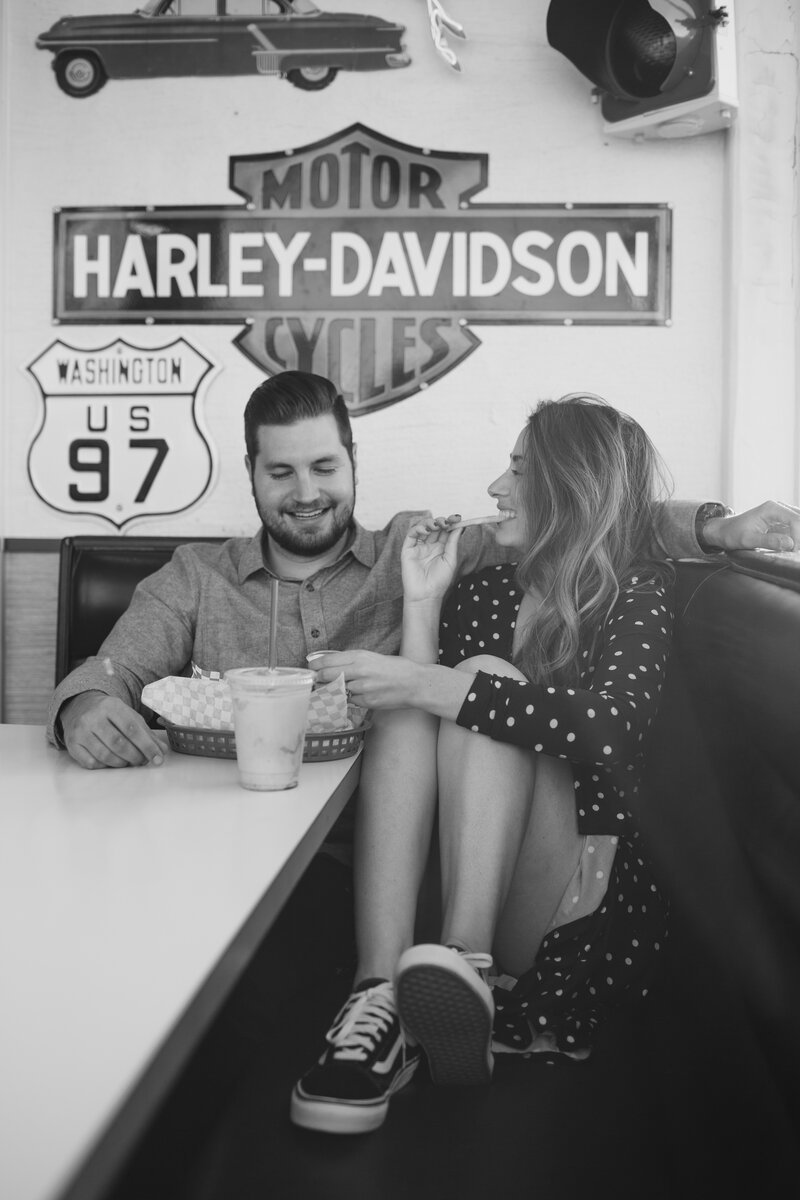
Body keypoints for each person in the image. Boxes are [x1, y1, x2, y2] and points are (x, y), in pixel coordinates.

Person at [47, 371, 800, 768]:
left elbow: (586, 512)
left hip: (373, 836)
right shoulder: (194, 578)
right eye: (282, 473)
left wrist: (714, 527)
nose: (306, 494)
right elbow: (112, 669)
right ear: (252, 474)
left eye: (322, 466)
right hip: (218, 837)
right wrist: (81, 710)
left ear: (351, 461)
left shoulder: (419, 545)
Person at [289, 394, 678, 1135]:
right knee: (419, 704)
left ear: (572, 486)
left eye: (519, 470)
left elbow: (609, 730)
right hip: (453, 884)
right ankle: (378, 992)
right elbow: (424, 735)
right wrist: (423, 603)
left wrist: (432, 680)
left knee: (476, 684)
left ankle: (468, 960)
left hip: (568, 901)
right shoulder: (487, 589)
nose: (497, 488)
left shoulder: (636, 591)